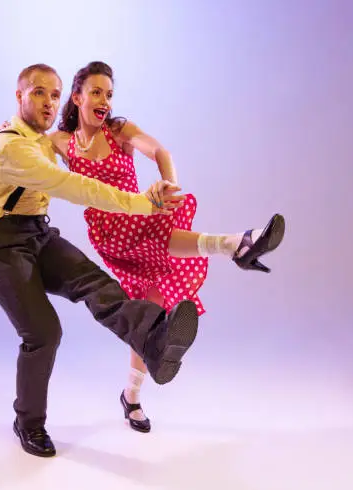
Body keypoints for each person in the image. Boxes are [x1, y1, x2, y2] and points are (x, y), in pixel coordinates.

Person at [0, 63, 201, 458]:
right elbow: (75, 186)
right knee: (44, 333)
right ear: (19, 95)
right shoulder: (11, 147)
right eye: (38, 92)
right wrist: (143, 204)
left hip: (36, 235)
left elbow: (81, 142)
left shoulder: (43, 139)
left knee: (96, 284)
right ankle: (28, 422)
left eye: (55, 94)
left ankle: (154, 339)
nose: (48, 101)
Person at [46, 61, 285, 433]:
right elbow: (26, 142)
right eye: (95, 92)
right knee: (156, 245)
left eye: (109, 94)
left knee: (152, 311)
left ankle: (132, 397)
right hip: (111, 233)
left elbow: (159, 151)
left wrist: (168, 184)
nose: (104, 100)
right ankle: (235, 244)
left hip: (140, 217)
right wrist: (6, 130)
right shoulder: (62, 142)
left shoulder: (118, 131)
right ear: (76, 97)